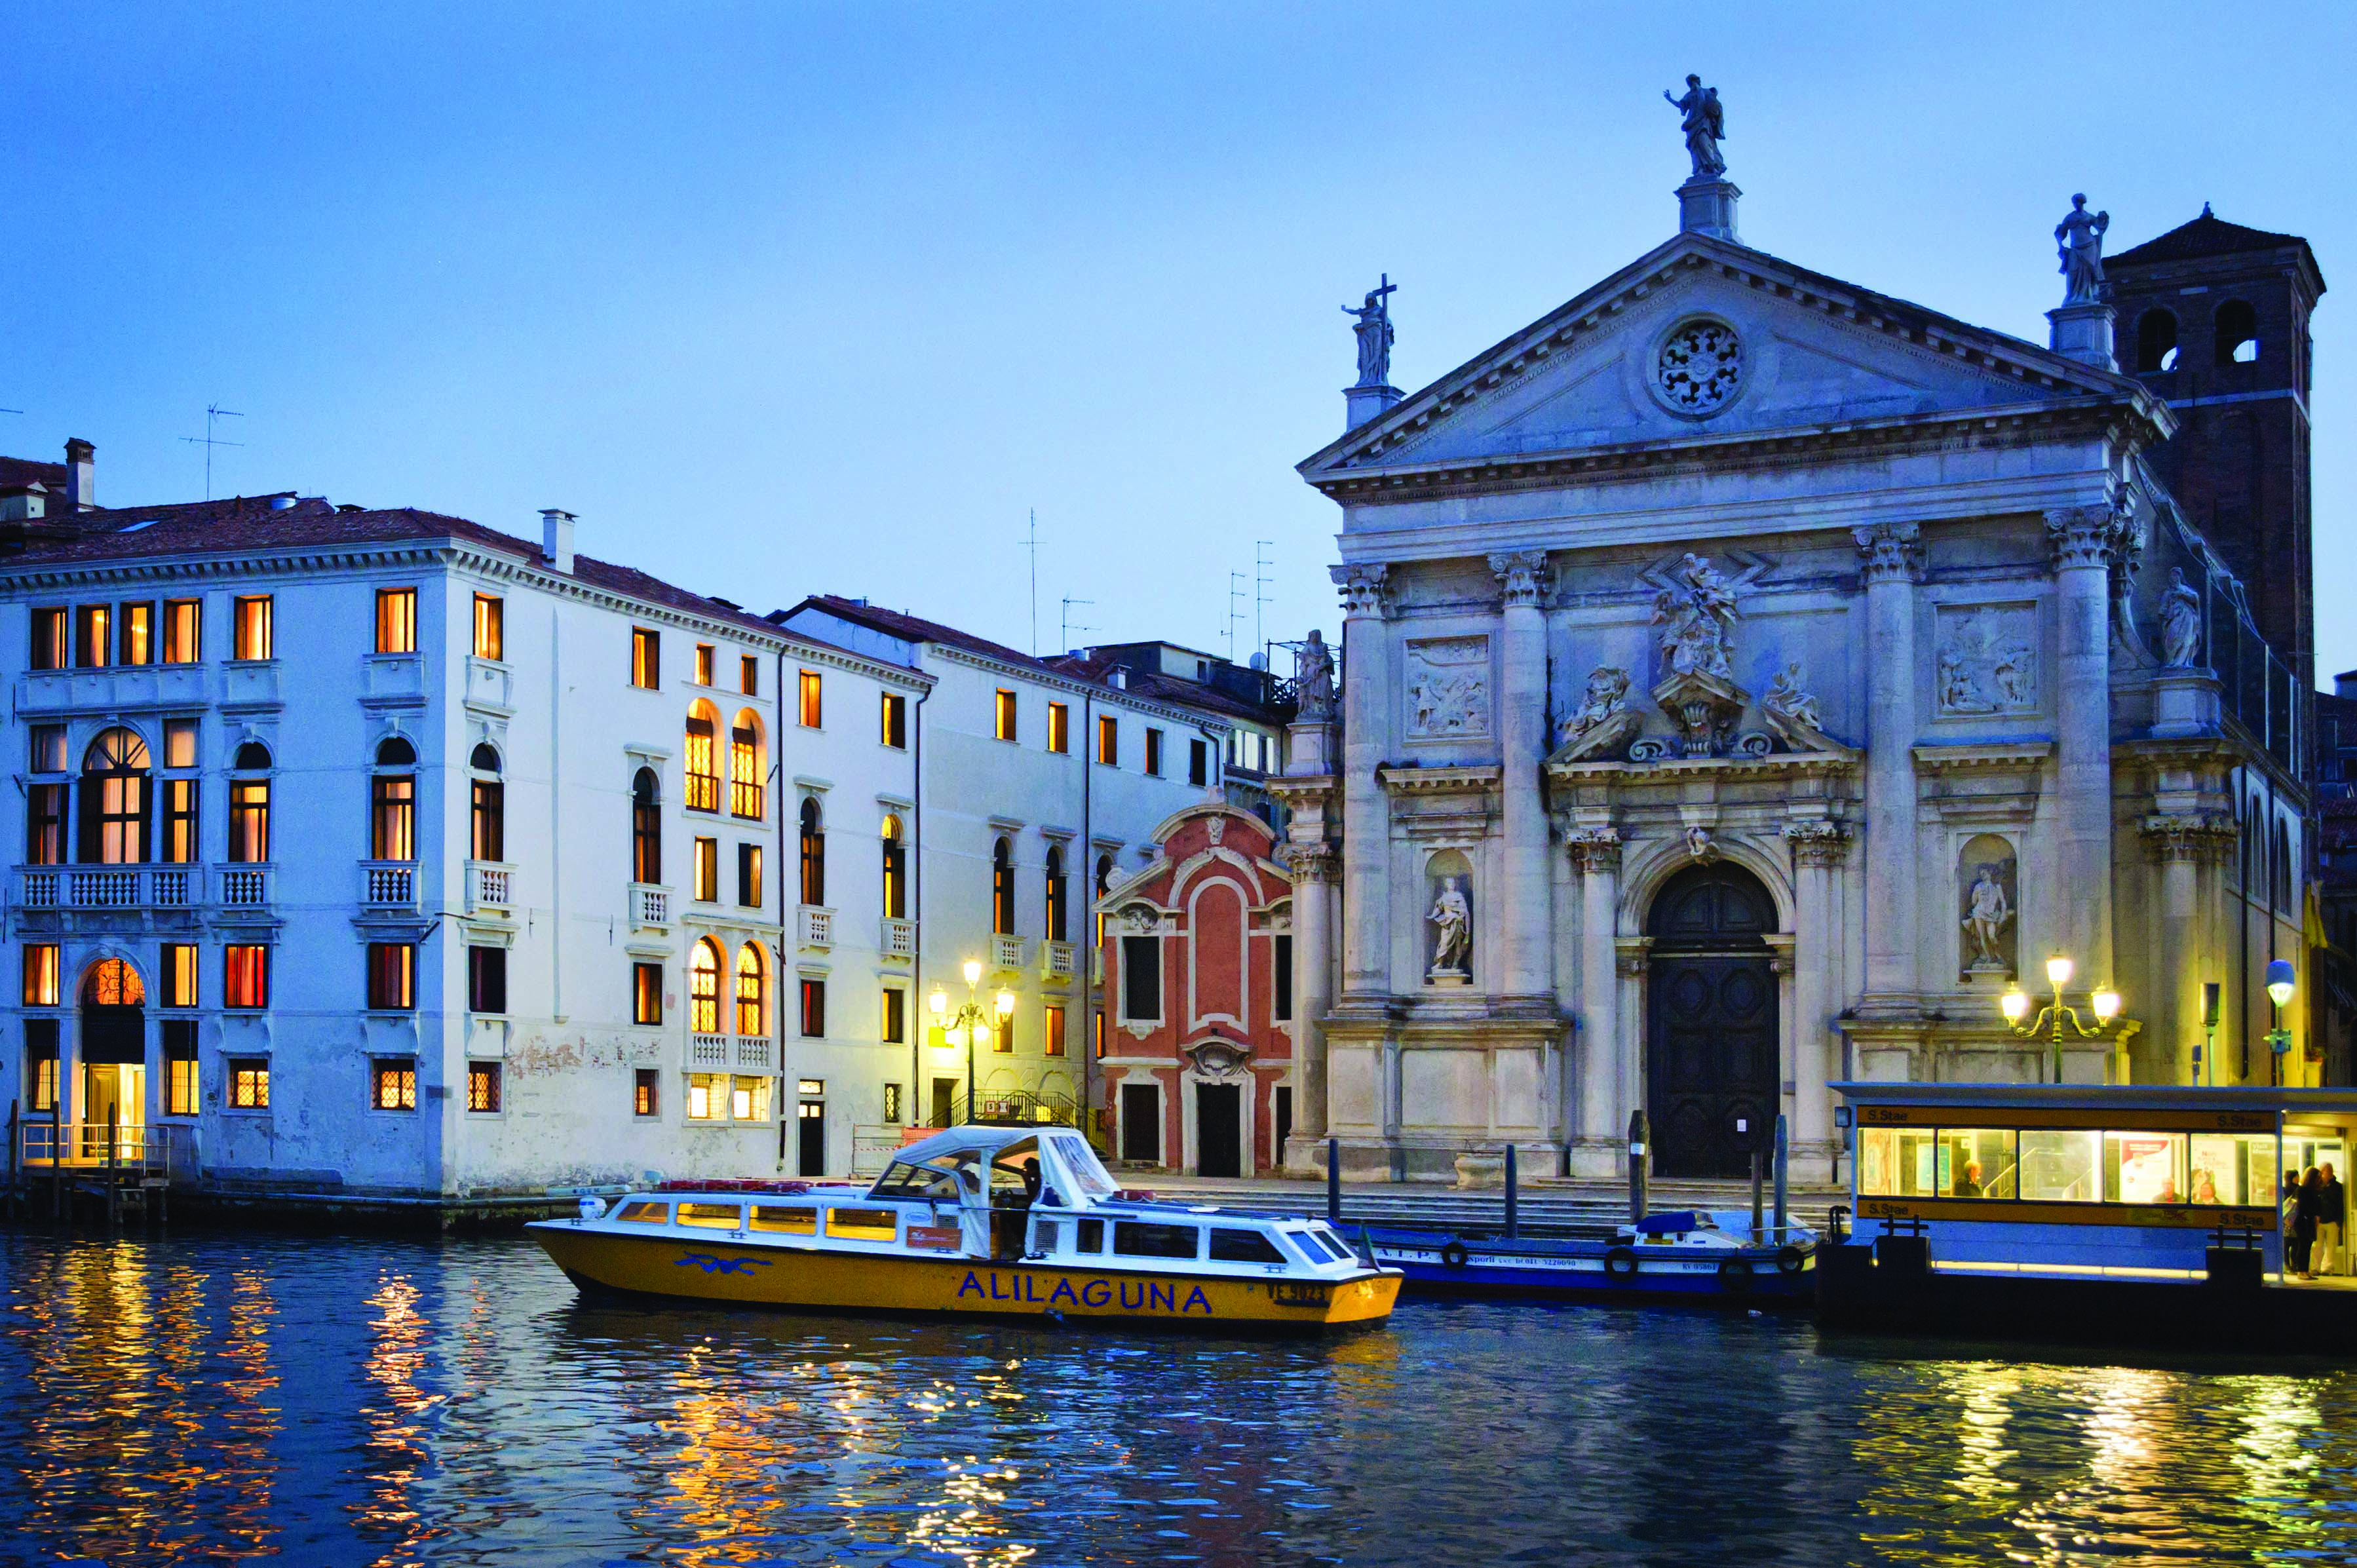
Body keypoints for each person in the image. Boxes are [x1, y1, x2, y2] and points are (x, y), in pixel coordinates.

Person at [2295, 1168, 2326, 1280]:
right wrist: (2313, 1215)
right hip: (2303, 1220)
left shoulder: (2315, 1190)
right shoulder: (2303, 1190)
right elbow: (2303, 1206)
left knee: (2308, 1246)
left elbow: (2318, 1205)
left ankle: (2305, 1270)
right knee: (2303, 1245)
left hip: (2310, 1220)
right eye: (2317, 1177)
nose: (2319, 1180)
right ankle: (2300, 1271)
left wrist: (2317, 1215)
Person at [2320, 1162, 2347, 1277]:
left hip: (2332, 1220)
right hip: (2319, 1220)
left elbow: (2340, 1204)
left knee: (2331, 1246)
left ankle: (2327, 1269)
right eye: (2326, 1170)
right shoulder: (2318, 1185)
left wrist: (2339, 1220)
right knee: (2317, 1246)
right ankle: (2315, 1268)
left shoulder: (2337, 1187)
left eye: (2330, 1170)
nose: (2329, 1173)